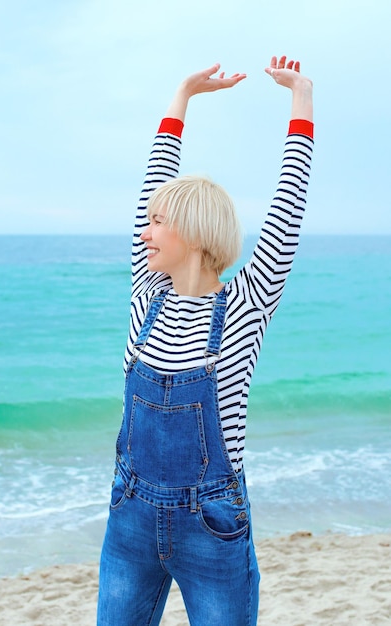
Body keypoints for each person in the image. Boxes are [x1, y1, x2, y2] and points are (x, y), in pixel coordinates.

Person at [97, 56, 314, 626]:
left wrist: (301, 99)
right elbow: (155, 174)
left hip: (213, 526)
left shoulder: (245, 305)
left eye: (157, 221)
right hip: (131, 516)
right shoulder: (148, 293)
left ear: (192, 233)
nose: (144, 231)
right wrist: (183, 96)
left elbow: (287, 212)